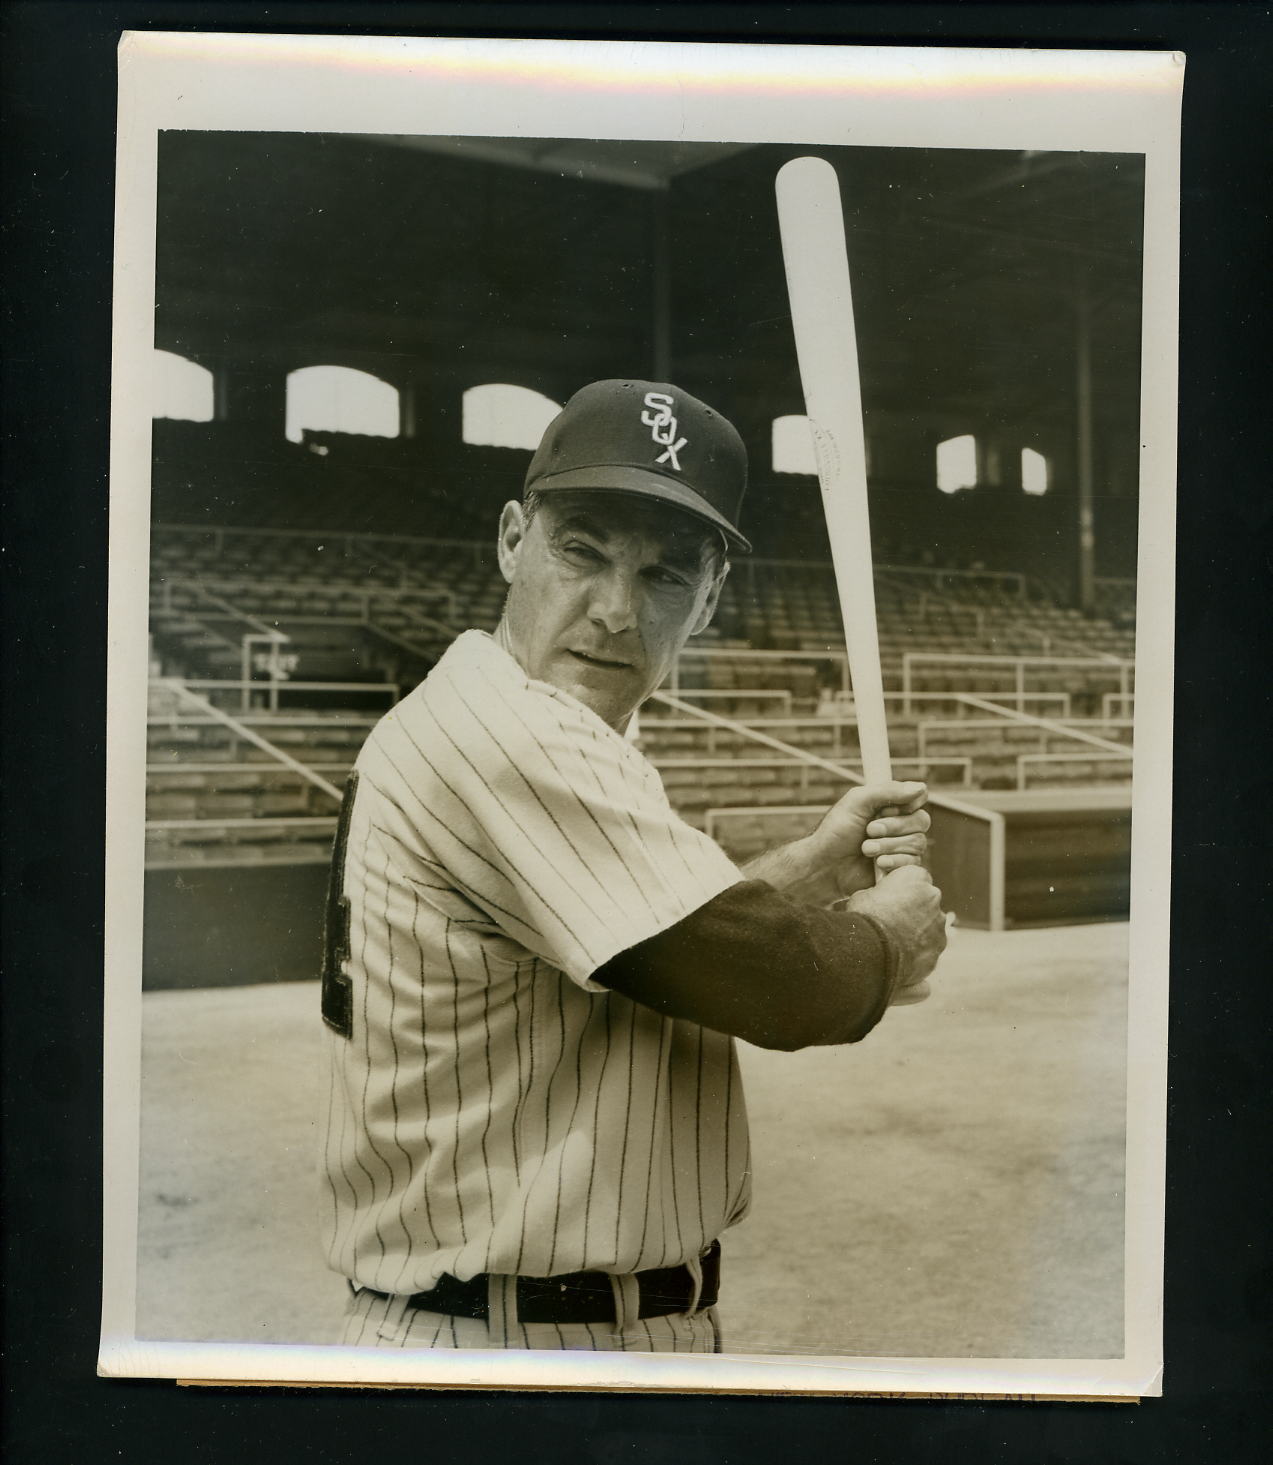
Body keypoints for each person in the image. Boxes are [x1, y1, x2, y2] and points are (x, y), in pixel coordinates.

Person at [320, 379, 946, 1353]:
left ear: (709, 597)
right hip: (513, 1345)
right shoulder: (511, 735)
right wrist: (897, 930)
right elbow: (778, 979)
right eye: (582, 551)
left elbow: (644, 948)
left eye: (662, 575)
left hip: (525, 1324)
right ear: (510, 539)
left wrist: (822, 864)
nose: (614, 610)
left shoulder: (499, 715)